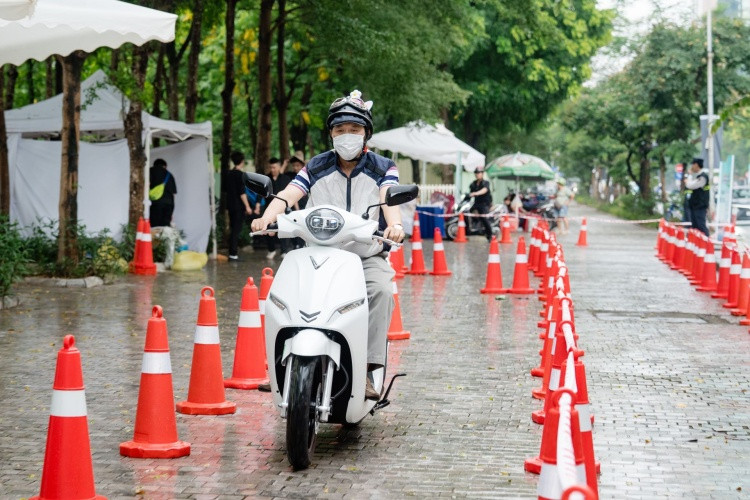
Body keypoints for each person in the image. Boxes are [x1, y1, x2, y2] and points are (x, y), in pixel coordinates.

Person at [251, 89, 404, 400]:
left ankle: (366, 371)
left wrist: (396, 225)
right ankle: (281, 366)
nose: (347, 135)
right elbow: (289, 193)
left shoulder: (383, 166)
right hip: (317, 252)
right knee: (282, 295)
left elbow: (389, 196)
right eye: (340, 129)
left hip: (365, 255)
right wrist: (266, 217)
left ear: (366, 133)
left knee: (381, 291)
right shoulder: (316, 165)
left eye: (354, 129)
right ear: (331, 134)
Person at [224, 151, 254, 261]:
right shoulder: (240, 175)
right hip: (238, 207)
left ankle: (232, 253)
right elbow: (242, 193)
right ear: (242, 161)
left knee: (233, 229)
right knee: (236, 230)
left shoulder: (229, 174)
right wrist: (247, 206)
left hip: (230, 206)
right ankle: (233, 254)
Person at [263, 158, 292, 259]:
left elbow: (290, 193)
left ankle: (284, 250)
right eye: (271, 167)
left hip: (283, 209)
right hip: (269, 208)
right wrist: (258, 205)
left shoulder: (286, 179)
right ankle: (271, 250)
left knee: (284, 229)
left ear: (279, 167)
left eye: (274, 167)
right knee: (268, 229)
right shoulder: (266, 179)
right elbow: (261, 193)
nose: (272, 169)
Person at [148, 158, 177, 227]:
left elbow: (147, 184)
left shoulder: (150, 171)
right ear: (165, 166)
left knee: (154, 226)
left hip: (156, 204)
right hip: (169, 204)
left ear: (154, 165)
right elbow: (173, 194)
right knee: (165, 227)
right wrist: (171, 210)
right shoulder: (170, 175)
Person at [685, 157, 710, 236]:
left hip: (700, 206)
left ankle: (707, 241)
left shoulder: (703, 177)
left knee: (701, 225)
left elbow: (690, 185)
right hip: (695, 206)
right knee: (695, 226)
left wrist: (689, 176)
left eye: (693, 165)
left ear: (696, 165)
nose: (692, 167)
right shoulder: (699, 177)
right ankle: (695, 242)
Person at [468, 167, 493, 241]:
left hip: (484, 204)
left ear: (482, 174)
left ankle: (490, 234)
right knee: (468, 212)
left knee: (484, 218)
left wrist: (476, 193)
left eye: (479, 173)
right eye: (476, 173)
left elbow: (484, 190)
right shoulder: (473, 184)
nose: (477, 174)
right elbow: (470, 193)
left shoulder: (485, 183)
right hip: (476, 203)